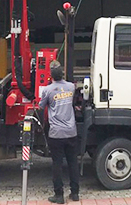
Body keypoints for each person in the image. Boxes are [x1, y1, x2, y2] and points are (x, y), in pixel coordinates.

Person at [38, 60, 79, 203]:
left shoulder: (48, 90)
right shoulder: (71, 87)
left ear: (51, 75)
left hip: (56, 134)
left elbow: (40, 106)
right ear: (62, 73)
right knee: (73, 162)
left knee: (57, 164)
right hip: (71, 132)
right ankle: (75, 194)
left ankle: (59, 195)